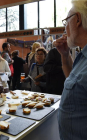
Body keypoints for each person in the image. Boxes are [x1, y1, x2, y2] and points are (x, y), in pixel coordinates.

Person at [53, 1, 87, 139]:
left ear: (78, 19)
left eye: (66, 21)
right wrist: (65, 56)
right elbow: (75, 85)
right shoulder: (83, 56)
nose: (65, 28)